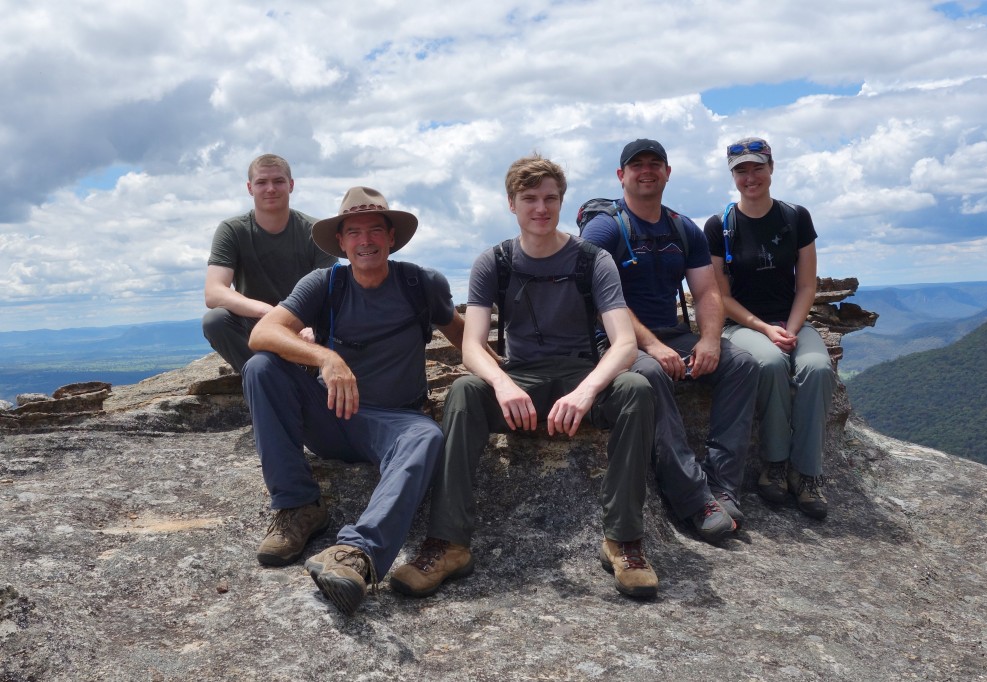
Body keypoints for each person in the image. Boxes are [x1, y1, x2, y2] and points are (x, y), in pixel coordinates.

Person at [392, 155, 659, 600]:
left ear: (561, 201)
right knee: (464, 391)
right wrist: (501, 382)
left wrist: (587, 390)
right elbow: (473, 344)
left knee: (636, 388)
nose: (541, 208)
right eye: (529, 199)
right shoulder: (493, 262)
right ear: (511, 204)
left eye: (551, 198)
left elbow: (625, 344)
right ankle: (449, 542)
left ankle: (623, 541)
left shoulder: (594, 260)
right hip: (522, 377)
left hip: (579, 373)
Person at [242, 186, 467, 616]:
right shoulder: (325, 284)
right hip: (331, 416)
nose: (366, 241)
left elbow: (465, 341)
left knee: (428, 436)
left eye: (375, 230)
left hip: (397, 422)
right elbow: (262, 334)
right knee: (261, 368)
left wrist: (509, 381)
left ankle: (356, 556)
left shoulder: (421, 283)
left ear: (391, 238)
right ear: (341, 243)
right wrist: (326, 357)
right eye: (354, 232)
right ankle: (297, 507)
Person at [580, 139, 758, 541]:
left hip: (673, 333)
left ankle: (723, 483)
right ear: (621, 175)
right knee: (649, 376)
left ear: (668, 172)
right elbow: (598, 297)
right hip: (613, 340)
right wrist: (652, 347)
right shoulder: (606, 227)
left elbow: (708, 291)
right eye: (637, 165)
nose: (647, 171)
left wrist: (710, 340)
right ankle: (694, 500)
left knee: (742, 363)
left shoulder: (682, 228)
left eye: (655, 164)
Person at [703, 137, 835, 519]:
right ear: (732, 176)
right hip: (743, 324)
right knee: (771, 363)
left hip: (790, 320)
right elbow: (719, 295)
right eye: (741, 170)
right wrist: (765, 329)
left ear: (771, 168)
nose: (750, 177)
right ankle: (775, 464)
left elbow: (807, 285)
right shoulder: (720, 226)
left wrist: (790, 330)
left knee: (817, 368)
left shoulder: (795, 218)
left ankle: (807, 472)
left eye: (757, 167)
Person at [203, 154, 336, 373]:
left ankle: (287, 376)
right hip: (256, 324)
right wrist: (270, 313)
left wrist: (311, 327)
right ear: (249, 188)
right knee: (215, 321)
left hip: (303, 326)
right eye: (262, 182)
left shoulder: (315, 231)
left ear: (291, 185)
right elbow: (214, 292)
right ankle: (268, 378)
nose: (270, 188)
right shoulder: (233, 230)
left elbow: (331, 292)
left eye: (279, 181)